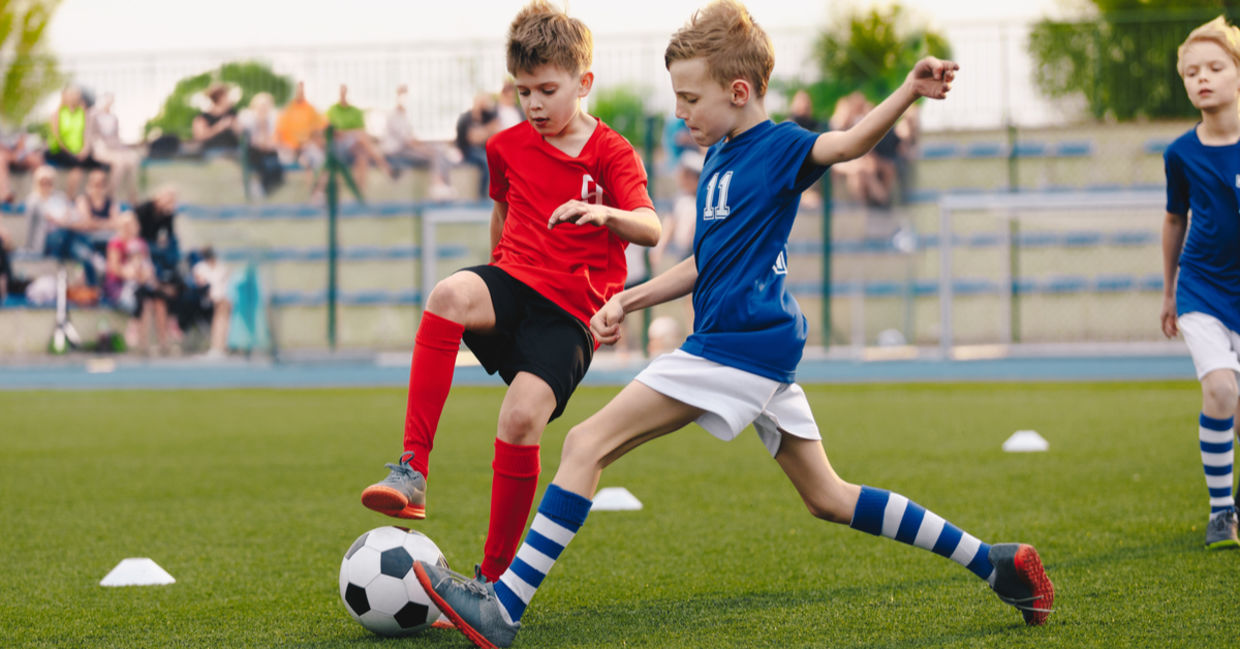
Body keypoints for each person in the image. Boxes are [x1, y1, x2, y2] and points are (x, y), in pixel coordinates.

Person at [415, 3, 1052, 647]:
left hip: (732, 350)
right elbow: (702, 264)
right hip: (757, 352)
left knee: (585, 444)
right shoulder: (718, 160)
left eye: (690, 99)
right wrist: (628, 301)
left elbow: (848, 143)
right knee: (828, 497)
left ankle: (506, 606)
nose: (680, 113)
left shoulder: (779, 149)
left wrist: (909, 90)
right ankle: (995, 562)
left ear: (739, 92)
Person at [360, 0, 661, 586]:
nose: (534, 104)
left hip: (570, 315)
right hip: (515, 282)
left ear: (584, 82)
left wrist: (602, 213)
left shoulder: (611, 152)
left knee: (520, 420)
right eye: (523, 92)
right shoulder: (506, 146)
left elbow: (651, 227)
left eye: (547, 89)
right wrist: (494, 274)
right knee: (449, 294)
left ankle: (492, 582)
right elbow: (502, 214)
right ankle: (411, 472)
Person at [1160, 15, 1240, 550]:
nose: (1202, 78)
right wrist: (1168, 291)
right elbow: (1174, 220)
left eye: (1215, 67)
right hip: (1202, 290)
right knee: (1221, 390)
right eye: (1192, 72)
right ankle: (1220, 512)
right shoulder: (1179, 154)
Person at [24, 165, 103, 286]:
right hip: (48, 241)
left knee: (81, 253)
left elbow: (73, 215)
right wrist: (65, 221)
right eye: (42, 182)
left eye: (48, 182)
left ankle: (93, 278)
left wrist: (65, 221)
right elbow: (50, 219)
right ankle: (92, 254)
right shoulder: (34, 201)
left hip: (65, 239)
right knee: (66, 233)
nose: (46, 185)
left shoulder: (59, 197)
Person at [381, 84, 454, 200]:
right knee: (435, 153)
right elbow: (408, 141)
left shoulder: (404, 115)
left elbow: (411, 138)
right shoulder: (393, 115)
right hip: (396, 152)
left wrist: (425, 147)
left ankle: (445, 185)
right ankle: (437, 185)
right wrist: (425, 150)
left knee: (440, 150)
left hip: (404, 148)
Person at [103, 210, 162, 353]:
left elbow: (147, 266)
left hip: (138, 283)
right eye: (126, 225)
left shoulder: (140, 243)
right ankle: (136, 331)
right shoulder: (116, 243)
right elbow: (115, 269)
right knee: (142, 298)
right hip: (119, 285)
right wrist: (134, 275)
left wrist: (145, 276)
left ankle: (152, 343)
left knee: (155, 299)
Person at [326, 84, 392, 193]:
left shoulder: (355, 111)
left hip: (354, 145)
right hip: (339, 146)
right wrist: (349, 132)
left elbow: (360, 130)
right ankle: (384, 166)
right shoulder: (332, 110)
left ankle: (359, 191)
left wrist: (346, 132)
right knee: (361, 136)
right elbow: (332, 132)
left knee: (362, 155)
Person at [45, 85, 102, 198]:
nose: (74, 96)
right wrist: (72, 152)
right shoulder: (57, 113)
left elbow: (86, 133)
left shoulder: (82, 112)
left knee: (98, 165)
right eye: (71, 94)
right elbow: (57, 137)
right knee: (77, 167)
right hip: (60, 150)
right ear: (64, 96)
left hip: (79, 151)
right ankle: (70, 197)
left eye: (76, 94)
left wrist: (85, 149)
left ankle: (97, 198)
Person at [275, 81, 329, 198]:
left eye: (302, 91)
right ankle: (316, 194)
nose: (300, 93)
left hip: (308, 148)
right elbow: (280, 135)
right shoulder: (287, 110)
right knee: (311, 160)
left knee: (315, 161)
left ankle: (317, 193)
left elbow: (321, 127)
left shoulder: (311, 109)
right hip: (292, 149)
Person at [87, 92, 141, 205]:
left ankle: (133, 194)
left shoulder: (113, 117)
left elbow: (116, 138)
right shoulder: (92, 114)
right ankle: (110, 195)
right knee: (119, 162)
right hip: (100, 149)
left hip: (114, 149)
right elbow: (89, 134)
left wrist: (124, 150)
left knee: (132, 159)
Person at [455, 91, 500, 198]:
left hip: (483, 149)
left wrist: (483, 133)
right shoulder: (466, 117)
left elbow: (497, 130)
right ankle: (482, 194)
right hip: (468, 152)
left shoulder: (487, 116)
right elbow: (473, 139)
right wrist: (487, 131)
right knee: (486, 161)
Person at [239, 92, 285, 196]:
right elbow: (250, 140)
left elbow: (275, 138)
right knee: (264, 162)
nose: (264, 108)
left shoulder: (273, 118)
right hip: (254, 151)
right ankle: (261, 187)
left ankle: (265, 188)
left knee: (273, 164)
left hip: (268, 150)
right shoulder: (247, 117)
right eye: (261, 105)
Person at [192, 246, 232, 358]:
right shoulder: (199, 268)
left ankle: (220, 346)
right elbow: (201, 286)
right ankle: (217, 346)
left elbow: (226, 284)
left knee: (223, 312)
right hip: (206, 299)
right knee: (220, 313)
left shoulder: (221, 267)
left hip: (222, 298)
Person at [191, 82, 241, 154]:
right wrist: (220, 126)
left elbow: (240, 134)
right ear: (220, 98)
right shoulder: (203, 117)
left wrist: (235, 126)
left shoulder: (232, 113)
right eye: (226, 96)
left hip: (233, 150)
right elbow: (199, 137)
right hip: (213, 152)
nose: (229, 99)